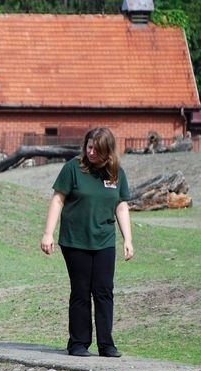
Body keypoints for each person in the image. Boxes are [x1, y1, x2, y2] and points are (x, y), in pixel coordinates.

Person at [40, 126, 134, 358]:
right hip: (75, 241)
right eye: (89, 146)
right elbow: (58, 200)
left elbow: (121, 206)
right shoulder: (73, 168)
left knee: (104, 290)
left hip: (104, 240)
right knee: (81, 291)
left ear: (108, 151)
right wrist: (48, 233)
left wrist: (128, 239)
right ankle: (78, 343)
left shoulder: (116, 173)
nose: (91, 152)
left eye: (96, 149)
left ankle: (106, 344)